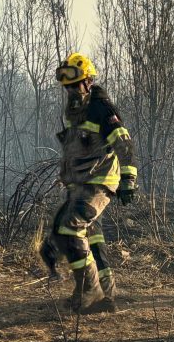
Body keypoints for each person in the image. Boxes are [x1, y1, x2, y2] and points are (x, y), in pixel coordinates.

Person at [39, 52, 137, 313]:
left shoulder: (100, 108)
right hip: (80, 184)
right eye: (67, 87)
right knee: (90, 237)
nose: (70, 91)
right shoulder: (74, 111)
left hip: (99, 181)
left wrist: (128, 179)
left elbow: (124, 143)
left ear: (88, 81)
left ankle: (89, 292)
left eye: (75, 85)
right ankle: (107, 294)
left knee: (70, 229)